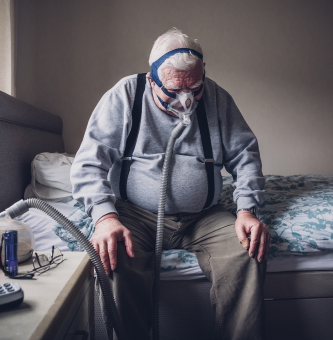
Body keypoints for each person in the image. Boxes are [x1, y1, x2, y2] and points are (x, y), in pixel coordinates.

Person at [71, 27, 269, 340]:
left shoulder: (217, 98)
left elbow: (246, 156)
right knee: (116, 256)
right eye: (174, 91)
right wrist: (104, 217)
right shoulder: (126, 94)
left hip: (203, 216)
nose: (186, 101)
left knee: (246, 253)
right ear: (152, 80)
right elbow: (89, 162)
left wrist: (247, 209)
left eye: (195, 88)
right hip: (135, 213)